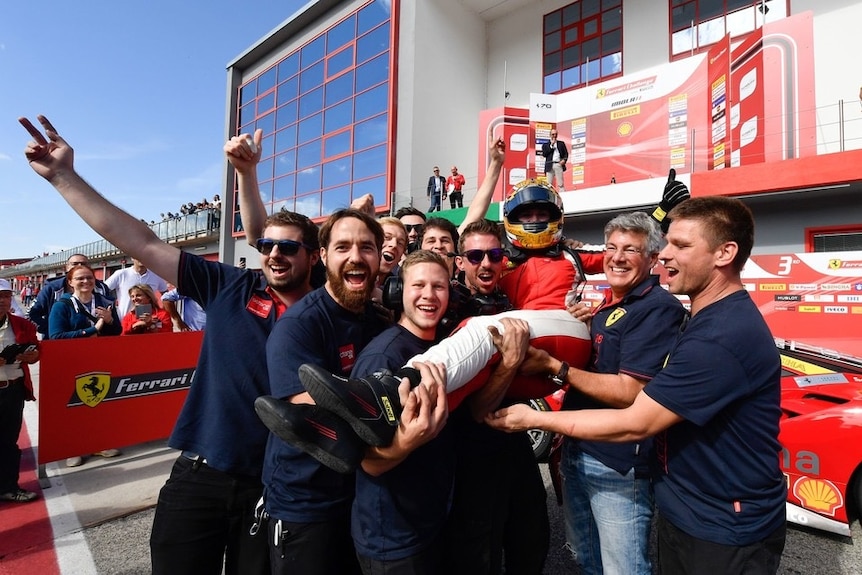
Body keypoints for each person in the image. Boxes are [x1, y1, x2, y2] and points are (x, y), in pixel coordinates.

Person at [21, 116, 317, 575]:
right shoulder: (230, 287)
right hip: (201, 474)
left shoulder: (329, 312)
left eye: (290, 247)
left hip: (274, 484)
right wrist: (63, 176)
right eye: (267, 245)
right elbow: (138, 238)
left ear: (314, 257)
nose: (275, 253)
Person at [486, 196, 787, 575]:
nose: (665, 256)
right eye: (611, 248)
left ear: (725, 253)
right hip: (687, 507)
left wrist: (535, 411)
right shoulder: (701, 316)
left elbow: (636, 417)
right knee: (592, 561)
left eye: (680, 246)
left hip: (723, 522)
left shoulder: (718, 334)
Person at [539, 212, 687, 575]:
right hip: (578, 449)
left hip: (616, 462)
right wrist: (582, 328)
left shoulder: (656, 308)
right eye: (611, 248)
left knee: (624, 569)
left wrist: (556, 367)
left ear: (653, 258)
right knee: (587, 559)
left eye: (630, 250)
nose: (617, 257)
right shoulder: (609, 304)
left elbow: (630, 392)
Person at [254, 207, 395, 575]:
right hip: (305, 505)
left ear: (380, 258)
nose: (355, 256)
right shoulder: (299, 326)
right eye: (343, 247)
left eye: (366, 247)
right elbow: (307, 417)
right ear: (325, 257)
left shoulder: (375, 319)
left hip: (359, 495)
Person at [48, 263, 123, 467]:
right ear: (70, 282)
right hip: (72, 362)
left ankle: (98, 443)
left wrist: (109, 321)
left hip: (100, 360)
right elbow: (55, 336)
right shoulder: (62, 305)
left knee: (99, 404)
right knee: (74, 406)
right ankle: (74, 448)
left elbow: (116, 331)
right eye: (80, 278)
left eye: (89, 278)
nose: (85, 282)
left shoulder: (106, 301)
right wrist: (91, 331)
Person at [0, 279, 41, 504]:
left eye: (6, 296)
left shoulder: (21, 324)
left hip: (12, 391)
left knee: (8, 442)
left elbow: (36, 349)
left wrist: (33, 356)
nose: (2, 301)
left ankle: (8, 487)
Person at [28, 253, 112, 337]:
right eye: (75, 264)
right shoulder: (52, 289)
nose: (79, 266)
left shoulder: (102, 288)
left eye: (83, 264)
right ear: (66, 267)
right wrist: (50, 328)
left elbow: (114, 325)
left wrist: (110, 321)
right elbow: (31, 314)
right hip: (61, 343)